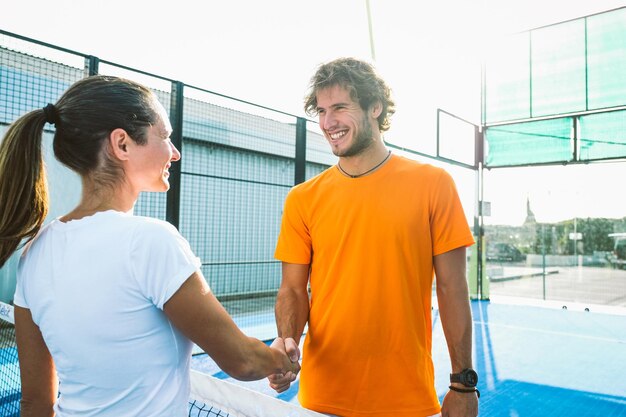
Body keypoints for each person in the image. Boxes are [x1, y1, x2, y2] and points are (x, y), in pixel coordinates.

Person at [0, 75, 299, 417]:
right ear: (122, 144)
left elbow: (35, 403)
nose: (175, 153)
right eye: (166, 136)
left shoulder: (34, 253)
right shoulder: (151, 242)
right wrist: (279, 358)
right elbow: (243, 360)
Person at [268, 57, 478, 417]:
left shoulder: (434, 184)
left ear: (375, 107)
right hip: (321, 399)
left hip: (406, 399)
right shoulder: (302, 198)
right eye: (320, 110)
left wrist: (462, 383)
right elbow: (292, 289)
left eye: (339, 108)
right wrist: (287, 343)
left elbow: (452, 288)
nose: (327, 122)